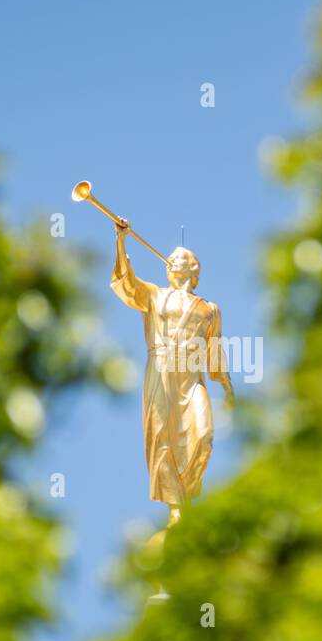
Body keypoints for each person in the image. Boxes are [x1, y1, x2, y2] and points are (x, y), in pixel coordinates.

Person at [110, 218, 234, 526]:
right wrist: (121, 242)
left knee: (203, 435)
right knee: (162, 435)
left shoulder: (210, 309)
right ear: (168, 268)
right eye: (174, 258)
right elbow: (128, 285)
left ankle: (189, 493)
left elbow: (214, 350)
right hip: (162, 368)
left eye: (184, 258)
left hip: (191, 376)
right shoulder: (155, 295)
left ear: (194, 269)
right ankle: (176, 505)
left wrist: (227, 386)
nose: (177, 260)